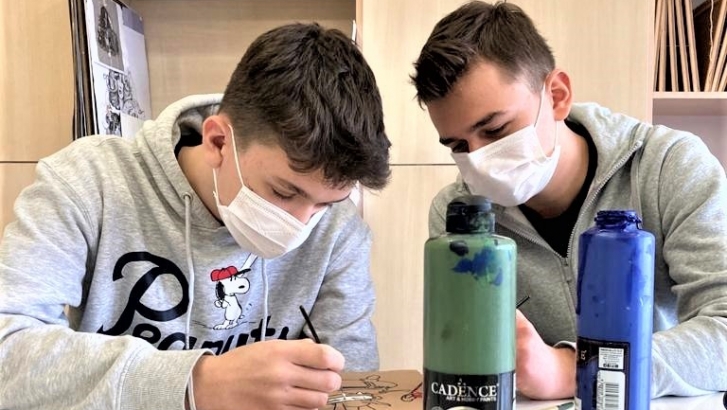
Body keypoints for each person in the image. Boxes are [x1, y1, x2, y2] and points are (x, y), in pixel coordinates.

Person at [0, 22, 391, 410]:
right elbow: (8, 349)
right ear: (218, 141)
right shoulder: (90, 182)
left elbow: (354, 387)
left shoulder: (339, 230)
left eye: (325, 204)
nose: (301, 224)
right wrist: (195, 383)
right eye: (284, 192)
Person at [411, 0, 727, 400]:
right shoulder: (459, 217)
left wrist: (577, 369)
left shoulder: (669, 166)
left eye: (495, 130)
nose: (479, 160)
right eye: (458, 145)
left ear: (557, 96)